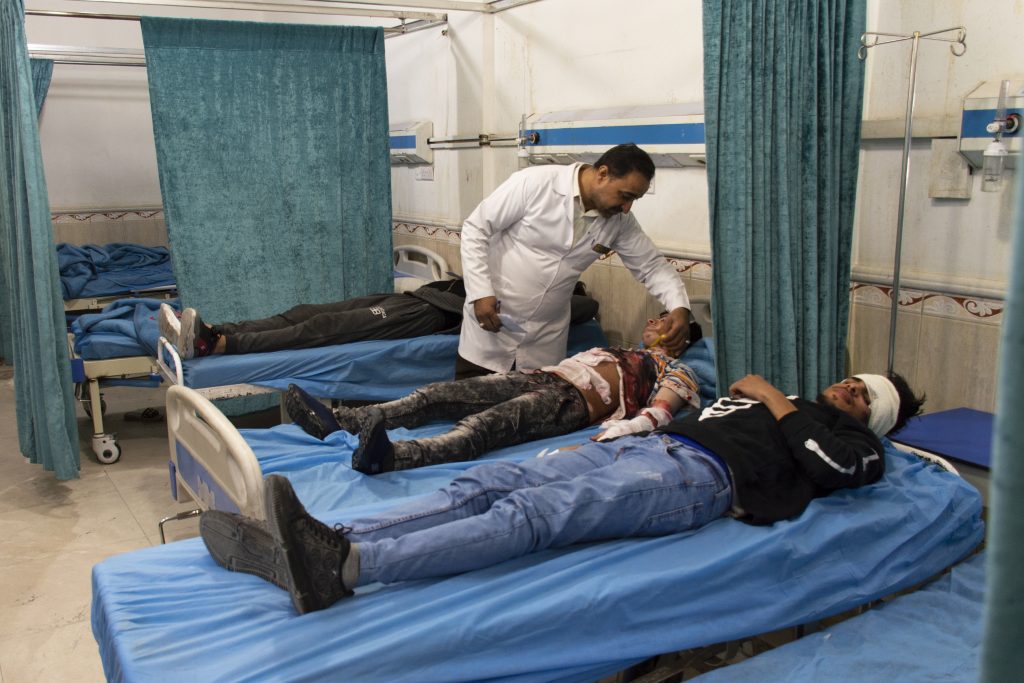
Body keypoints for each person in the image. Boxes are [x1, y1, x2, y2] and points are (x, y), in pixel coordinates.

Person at [200, 371, 925, 615]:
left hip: (694, 480)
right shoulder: (789, 402)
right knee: (489, 478)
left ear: (875, 421)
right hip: (647, 448)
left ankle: (352, 570)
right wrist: (623, 430)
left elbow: (830, 466)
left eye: (863, 396)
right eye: (853, 379)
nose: (847, 389)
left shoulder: (857, 447)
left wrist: (775, 396)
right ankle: (333, 538)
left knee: (532, 515)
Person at [283, 313, 701, 474]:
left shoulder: (676, 369)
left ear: (680, 339)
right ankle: (342, 422)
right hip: (542, 377)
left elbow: (658, 416)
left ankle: (393, 458)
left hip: (570, 403)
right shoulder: (621, 348)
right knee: (436, 395)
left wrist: (606, 438)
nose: (652, 317)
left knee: (481, 427)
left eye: (664, 318)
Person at [457, 143, 691, 379]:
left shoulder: (620, 222)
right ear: (602, 174)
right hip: (492, 322)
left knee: (533, 411)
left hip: (544, 339)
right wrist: (480, 292)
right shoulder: (536, 183)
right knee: (464, 404)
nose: (626, 208)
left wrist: (679, 307)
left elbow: (652, 267)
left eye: (634, 200)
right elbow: (476, 228)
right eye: (625, 196)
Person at [156, 280, 599, 360]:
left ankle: (216, 347)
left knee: (324, 329)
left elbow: (589, 310)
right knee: (308, 313)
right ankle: (215, 329)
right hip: (415, 297)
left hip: (425, 317)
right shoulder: (510, 273)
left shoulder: (561, 303)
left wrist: (556, 297)